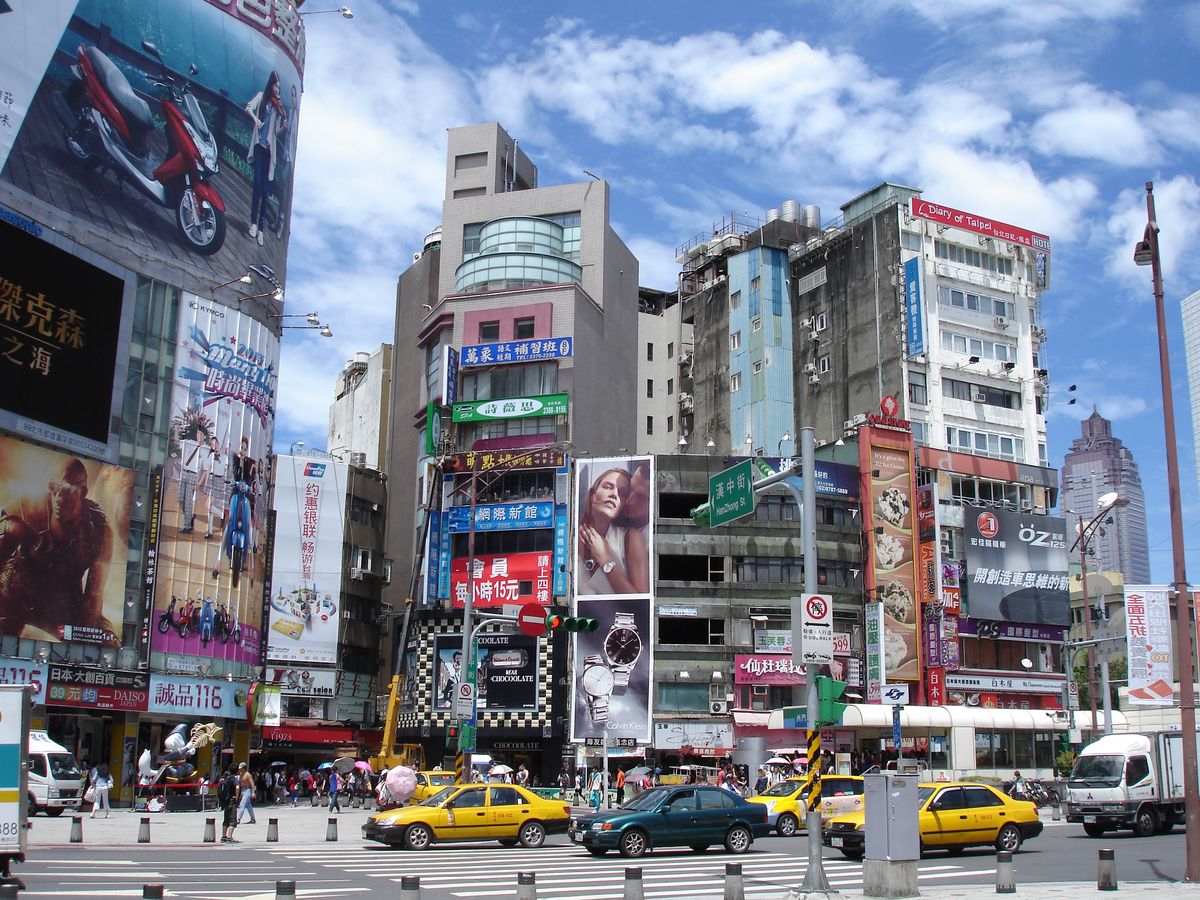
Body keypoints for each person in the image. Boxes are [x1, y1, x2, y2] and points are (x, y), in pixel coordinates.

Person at [0, 456, 116, 639]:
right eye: (54, 488)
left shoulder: (99, 531)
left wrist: (83, 641)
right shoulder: (26, 507)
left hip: (63, 604)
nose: (58, 498)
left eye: (67, 490)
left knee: (106, 641)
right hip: (17, 595)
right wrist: (14, 528)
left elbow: (93, 597)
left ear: (83, 491)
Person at [577, 466, 649, 594]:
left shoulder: (629, 538)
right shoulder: (569, 535)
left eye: (622, 493)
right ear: (592, 494)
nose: (614, 494)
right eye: (608, 487)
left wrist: (606, 561)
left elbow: (641, 602)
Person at [244, 71, 287, 246]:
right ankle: (253, 223)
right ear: (271, 85)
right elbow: (248, 107)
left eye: (280, 87)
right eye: (276, 86)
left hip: (270, 152)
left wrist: (283, 128)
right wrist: (255, 119)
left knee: (265, 192)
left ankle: (261, 229)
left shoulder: (278, 107)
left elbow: (275, 132)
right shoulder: (262, 98)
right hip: (259, 148)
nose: (278, 89)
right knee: (257, 186)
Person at [219, 766, 240, 843]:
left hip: (225, 801)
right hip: (231, 801)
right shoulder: (234, 779)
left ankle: (223, 836)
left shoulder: (225, 778)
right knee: (232, 820)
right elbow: (237, 787)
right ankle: (229, 837)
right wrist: (237, 797)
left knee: (226, 820)